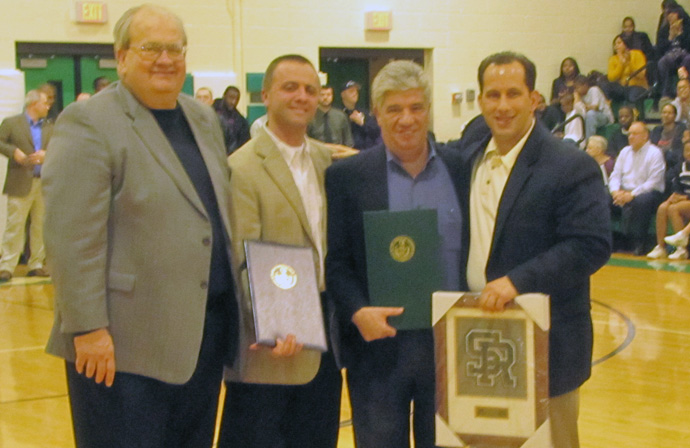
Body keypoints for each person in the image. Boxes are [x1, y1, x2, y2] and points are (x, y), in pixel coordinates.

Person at [41, 5, 237, 447]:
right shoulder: (89, 121)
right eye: (151, 47)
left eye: (174, 48)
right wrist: (88, 329)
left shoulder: (203, 119)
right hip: (120, 348)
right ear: (122, 55)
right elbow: (70, 238)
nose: (165, 59)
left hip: (200, 339)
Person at [462, 51, 611, 448]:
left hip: (549, 342)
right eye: (492, 95)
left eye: (514, 93)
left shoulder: (570, 165)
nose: (503, 105)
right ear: (480, 102)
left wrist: (517, 281)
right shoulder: (469, 155)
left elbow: (591, 245)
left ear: (534, 99)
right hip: (480, 338)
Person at [326, 60, 463, 448]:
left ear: (428, 110)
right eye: (394, 109)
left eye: (416, 107)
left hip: (449, 346)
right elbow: (336, 262)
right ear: (377, 114)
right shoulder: (347, 177)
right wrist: (356, 310)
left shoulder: (461, 167)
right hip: (379, 346)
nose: (407, 119)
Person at [218, 54, 342, 448]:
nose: (301, 96)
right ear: (266, 95)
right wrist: (275, 324)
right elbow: (242, 257)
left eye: (309, 89)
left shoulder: (326, 160)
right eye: (290, 87)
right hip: (271, 343)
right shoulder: (243, 167)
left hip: (325, 336)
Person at [0, 90, 52, 282]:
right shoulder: (11, 123)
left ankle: (36, 264)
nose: (48, 106)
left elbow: (58, 146)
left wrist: (47, 154)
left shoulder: (49, 126)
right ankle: (7, 266)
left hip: (43, 182)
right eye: (45, 102)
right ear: (33, 104)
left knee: (40, 225)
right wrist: (14, 152)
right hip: (20, 180)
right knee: (15, 224)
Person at [609, 122, 666, 255]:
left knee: (642, 201)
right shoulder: (624, 152)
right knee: (602, 199)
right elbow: (615, 175)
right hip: (623, 192)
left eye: (635, 134)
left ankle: (639, 243)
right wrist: (615, 192)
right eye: (629, 134)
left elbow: (653, 182)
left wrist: (632, 194)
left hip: (649, 193)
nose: (631, 137)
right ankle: (610, 241)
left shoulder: (655, 153)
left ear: (645, 135)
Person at [648, 140, 690, 259]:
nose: (689, 153)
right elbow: (676, 185)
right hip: (683, 199)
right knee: (663, 207)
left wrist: (685, 197)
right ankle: (661, 247)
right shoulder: (680, 166)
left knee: (673, 209)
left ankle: (681, 249)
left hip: (687, 199)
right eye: (687, 151)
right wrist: (675, 196)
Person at [605, 35, 649, 105]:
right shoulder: (613, 59)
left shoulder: (637, 54)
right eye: (615, 44)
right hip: (622, 88)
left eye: (619, 43)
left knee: (632, 93)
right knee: (607, 86)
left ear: (626, 44)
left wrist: (628, 62)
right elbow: (611, 78)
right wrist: (621, 64)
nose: (616, 46)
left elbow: (641, 75)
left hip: (638, 86)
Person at [340, 80, 381, 150]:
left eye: (356, 91)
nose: (355, 94)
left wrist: (362, 123)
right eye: (351, 91)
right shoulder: (338, 113)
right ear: (343, 94)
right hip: (343, 151)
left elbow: (376, 131)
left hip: (362, 151)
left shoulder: (364, 113)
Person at [573, 75, 614, 139]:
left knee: (590, 114)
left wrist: (581, 104)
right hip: (593, 117)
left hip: (604, 116)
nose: (577, 90)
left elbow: (595, 108)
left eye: (578, 88)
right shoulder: (581, 96)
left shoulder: (594, 90)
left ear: (585, 85)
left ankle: (589, 140)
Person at [215, 85, 251, 154]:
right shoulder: (211, 113)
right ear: (224, 96)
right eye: (231, 98)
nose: (233, 102)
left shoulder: (241, 122)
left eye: (237, 99)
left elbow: (244, 146)